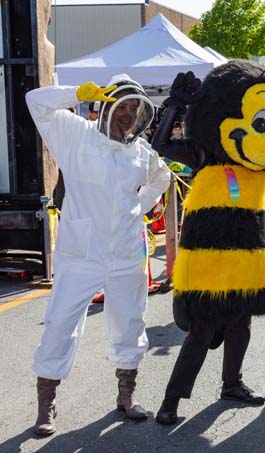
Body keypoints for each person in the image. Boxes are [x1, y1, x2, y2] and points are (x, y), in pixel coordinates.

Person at [151, 64, 265, 425]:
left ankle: (232, 384)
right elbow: (161, 145)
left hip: (248, 259)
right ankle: (171, 400)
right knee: (200, 331)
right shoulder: (204, 155)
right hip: (207, 261)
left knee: (240, 325)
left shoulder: (258, 166)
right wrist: (176, 107)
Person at [26, 75, 171, 436]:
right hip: (81, 253)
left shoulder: (140, 151)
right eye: (120, 106)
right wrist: (76, 93)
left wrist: (138, 206)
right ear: (104, 106)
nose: (126, 115)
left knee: (129, 322)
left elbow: (162, 178)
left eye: (133, 109)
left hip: (126, 252)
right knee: (60, 322)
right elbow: (35, 101)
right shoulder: (74, 133)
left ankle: (126, 395)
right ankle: (46, 404)